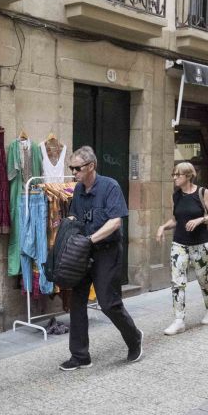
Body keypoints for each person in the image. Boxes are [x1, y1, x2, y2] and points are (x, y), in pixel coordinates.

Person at [61, 146, 143, 370]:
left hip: (107, 251)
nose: (74, 172)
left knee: (108, 303)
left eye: (77, 168)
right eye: (71, 168)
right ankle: (80, 356)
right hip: (83, 252)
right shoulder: (78, 190)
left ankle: (134, 337)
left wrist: (91, 240)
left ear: (91, 166)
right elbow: (75, 215)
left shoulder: (110, 186)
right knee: (77, 301)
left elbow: (115, 221)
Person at [155, 162, 208, 335]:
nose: (175, 178)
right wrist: (163, 227)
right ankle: (179, 320)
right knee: (177, 282)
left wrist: (200, 220)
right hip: (180, 244)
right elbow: (176, 219)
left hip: (201, 245)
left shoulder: (202, 193)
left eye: (178, 175)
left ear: (188, 176)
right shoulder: (176, 196)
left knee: (204, 280)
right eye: (174, 174)